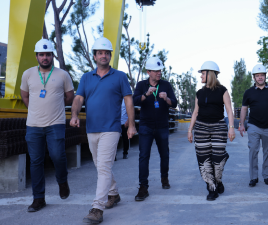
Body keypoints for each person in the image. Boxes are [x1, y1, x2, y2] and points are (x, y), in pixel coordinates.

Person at [70, 37, 136, 223]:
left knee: (104, 166)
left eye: (107, 53)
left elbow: (129, 101)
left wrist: (131, 125)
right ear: (94, 56)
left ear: (110, 56)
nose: (104, 56)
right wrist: (74, 115)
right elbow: (78, 99)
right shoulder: (86, 77)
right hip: (91, 128)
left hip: (111, 128)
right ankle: (113, 194)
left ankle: (97, 208)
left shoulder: (120, 76)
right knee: (101, 166)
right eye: (100, 53)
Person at [20, 39, 75, 212]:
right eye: (41, 55)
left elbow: (69, 97)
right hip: (33, 125)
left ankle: (62, 181)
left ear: (53, 56)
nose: (45, 58)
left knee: (57, 155)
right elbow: (25, 96)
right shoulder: (27, 74)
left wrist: (53, 107)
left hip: (56, 123)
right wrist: (35, 110)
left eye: (48, 54)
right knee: (36, 161)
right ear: (36, 56)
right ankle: (38, 199)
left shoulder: (62, 75)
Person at [187, 61, 235, 201]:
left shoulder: (223, 90)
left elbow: (229, 111)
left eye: (203, 73)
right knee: (203, 159)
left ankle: (218, 180)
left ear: (210, 74)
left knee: (218, 159)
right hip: (201, 127)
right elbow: (195, 112)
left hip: (218, 127)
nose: (201, 76)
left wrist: (231, 128)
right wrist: (190, 130)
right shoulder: (199, 93)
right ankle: (212, 187)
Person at [132, 56, 177, 201]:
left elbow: (174, 103)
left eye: (160, 70)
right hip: (146, 126)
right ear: (148, 72)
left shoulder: (166, 85)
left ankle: (164, 178)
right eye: (156, 71)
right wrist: (146, 95)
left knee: (165, 155)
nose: (159, 73)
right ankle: (143, 187)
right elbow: (134, 100)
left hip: (162, 126)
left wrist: (166, 99)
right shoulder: (141, 85)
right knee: (144, 156)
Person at [238, 64, 268, 187]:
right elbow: (244, 109)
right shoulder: (248, 92)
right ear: (254, 77)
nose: (260, 77)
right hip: (253, 125)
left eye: (262, 75)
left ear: (265, 76)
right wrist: (242, 124)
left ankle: (267, 176)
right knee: (253, 150)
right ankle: (253, 177)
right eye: (257, 75)